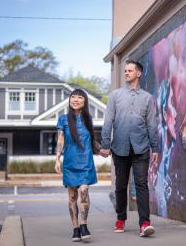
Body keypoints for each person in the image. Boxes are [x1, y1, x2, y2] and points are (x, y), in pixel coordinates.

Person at [100, 59, 159, 237]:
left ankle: (145, 223)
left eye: (130, 70)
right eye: (125, 71)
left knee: (141, 184)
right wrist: (105, 145)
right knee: (120, 185)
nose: (126, 73)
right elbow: (108, 121)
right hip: (119, 148)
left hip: (141, 148)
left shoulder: (148, 98)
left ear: (138, 73)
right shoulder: (115, 96)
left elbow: (152, 125)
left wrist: (155, 148)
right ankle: (120, 218)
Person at [55, 89, 98, 242]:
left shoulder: (88, 119)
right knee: (72, 197)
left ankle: (84, 225)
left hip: (86, 162)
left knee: (84, 191)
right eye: (73, 97)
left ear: (85, 102)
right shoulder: (63, 119)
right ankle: (75, 228)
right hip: (70, 163)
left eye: (79, 97)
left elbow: (91, 140)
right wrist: (57, 158)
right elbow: (60, 140)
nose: (76, 99)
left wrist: (105, 150)